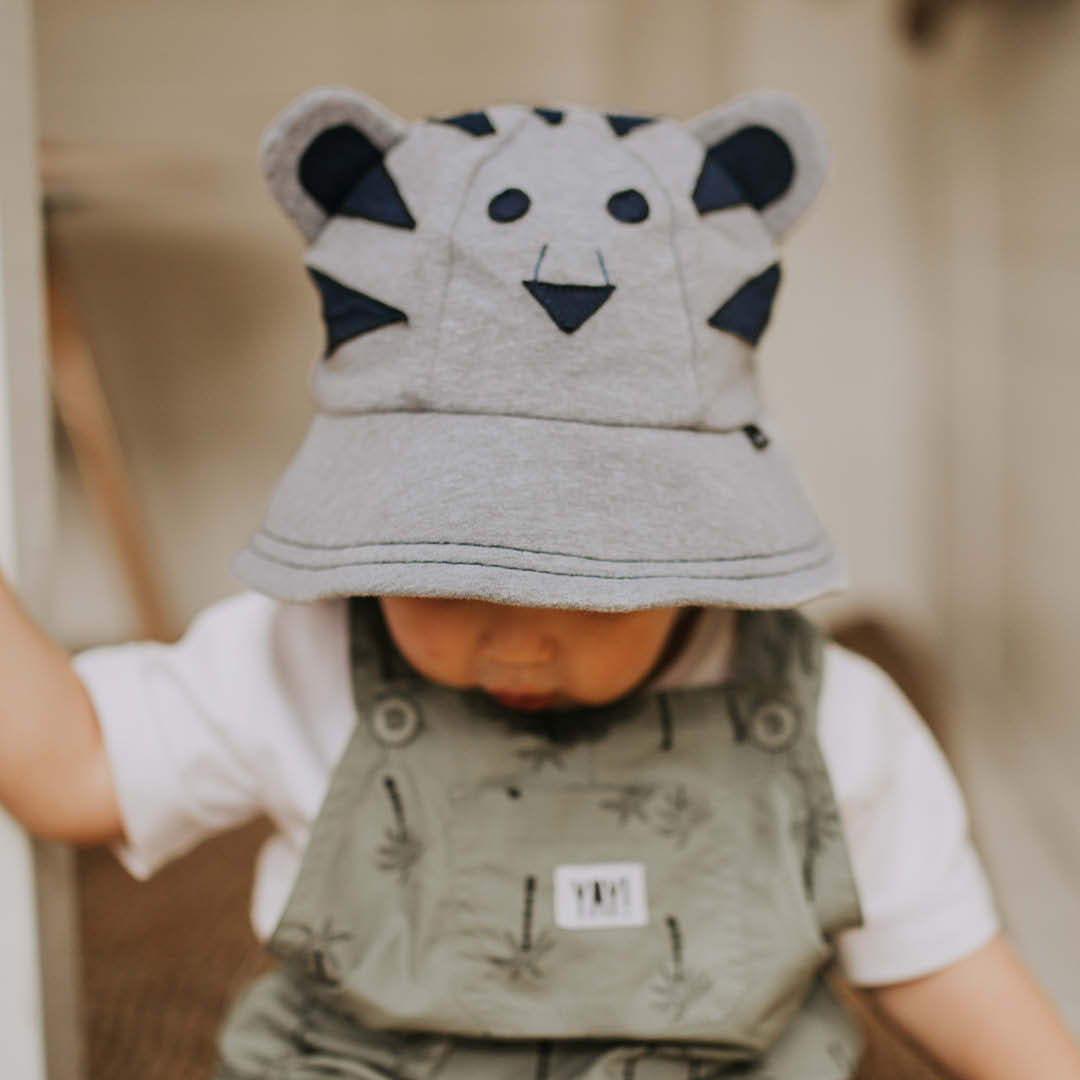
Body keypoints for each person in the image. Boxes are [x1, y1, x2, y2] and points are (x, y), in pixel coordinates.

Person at [2, 87, 1079, 1079]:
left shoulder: (832, 724)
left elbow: (940, 965)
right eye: (436, 572)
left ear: (698, 549)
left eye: (589, 586)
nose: (514, 643)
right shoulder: (297, 659)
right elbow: (80, 769)